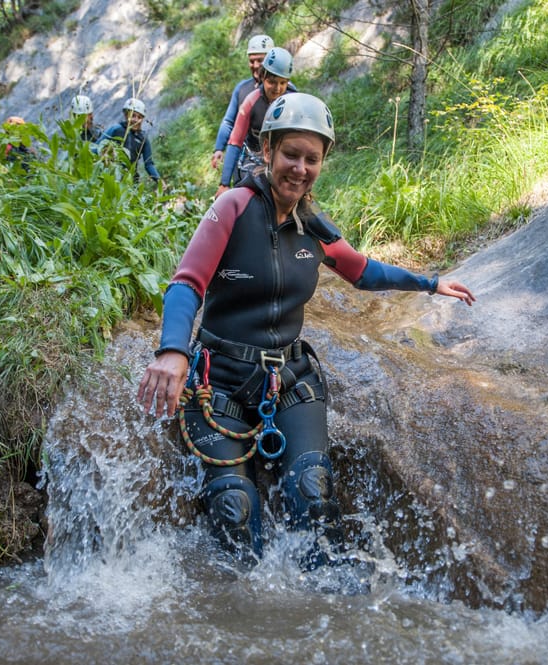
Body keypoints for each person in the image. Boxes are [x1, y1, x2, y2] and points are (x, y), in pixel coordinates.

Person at [137, 93, 476, 569]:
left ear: (322, 163)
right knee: (234, 508)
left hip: (290, 381)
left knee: (313, 491)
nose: (299, 168)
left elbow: (363, 272)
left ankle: (331, 607)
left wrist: (431, 282)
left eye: (311, 159)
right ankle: (244, 618)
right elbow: (186, 284)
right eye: (290, 155)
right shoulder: (232, 208)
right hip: (221, 382)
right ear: (268, 150)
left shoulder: (314, 229)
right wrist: (172, 351)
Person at [215, 46, 294, 199]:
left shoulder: (293, 99)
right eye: (272, 82)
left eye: (282, 83)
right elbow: (235, 142)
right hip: (252, 159)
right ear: (263, 78)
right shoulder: (251, 101)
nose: (277, 89)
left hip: (281, 158)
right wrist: (224, 184)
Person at [210, 34, 274, 179]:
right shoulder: (242, 89)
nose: (256, 65)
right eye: (252, 61)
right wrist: (219, 149)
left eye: (260, 60)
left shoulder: (285, 90)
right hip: (247, 158)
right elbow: (228, 122)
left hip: (277, 157)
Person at [100, 98, 161, 183]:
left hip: (131, 181)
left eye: (139, 117)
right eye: (133, 116)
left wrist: (159, 180)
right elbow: (97, 147)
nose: (136, 120)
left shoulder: (143, 139)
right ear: (126, 115)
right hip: (112, 178)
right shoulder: (116, 129)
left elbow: (149, 164)